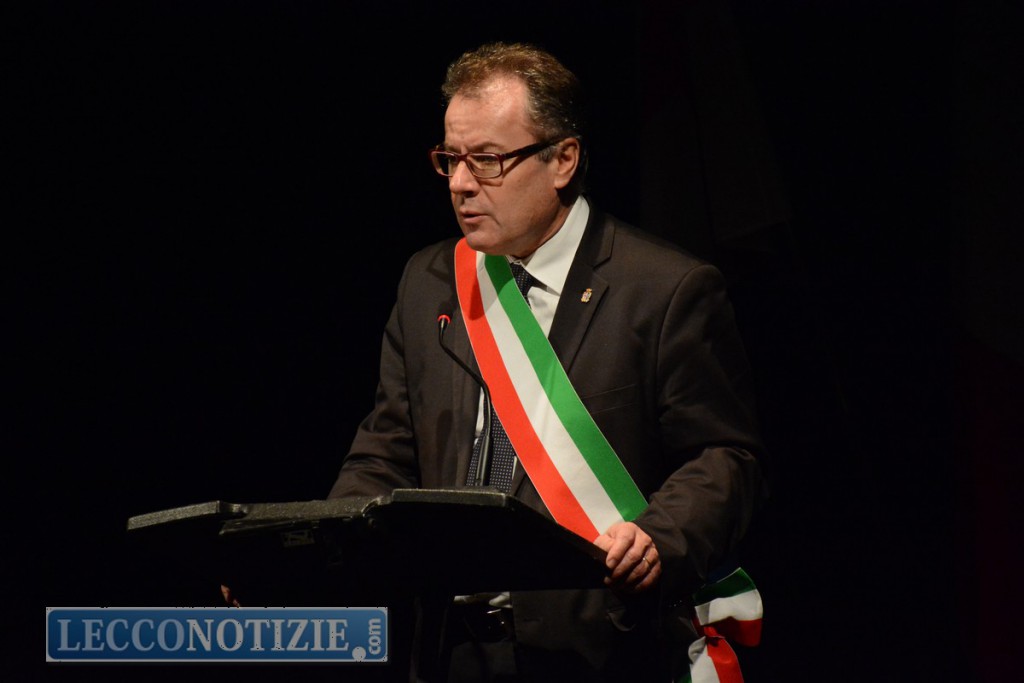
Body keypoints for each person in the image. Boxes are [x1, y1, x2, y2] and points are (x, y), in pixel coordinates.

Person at [328, 41, 765, 683]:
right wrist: (317, 555)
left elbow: (725, 456)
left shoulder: (665, 288)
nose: (459, 183)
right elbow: (385, 454)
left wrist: (661, 537)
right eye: (450, 159)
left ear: (563, 159)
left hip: (596, 648)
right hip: (448, 652)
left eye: (487, 160)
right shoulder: (428, 281)